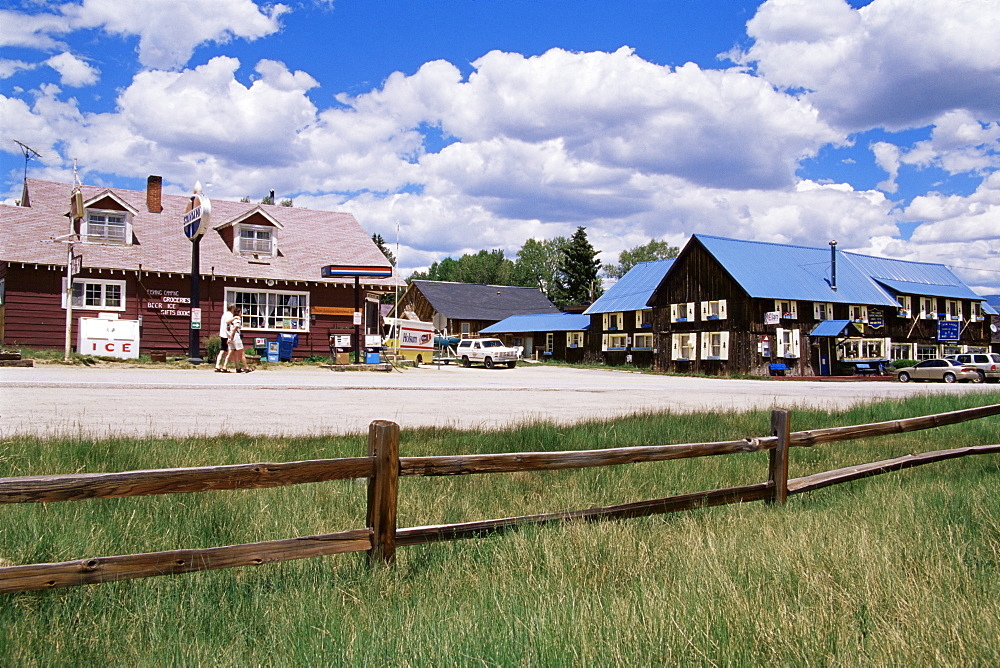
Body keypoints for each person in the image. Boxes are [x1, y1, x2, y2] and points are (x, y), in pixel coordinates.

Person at [228, 306, 253, 373]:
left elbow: (227, 322)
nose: (241, 313)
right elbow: (235, 328)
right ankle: (246, 367)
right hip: (235, 336)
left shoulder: (232, 319)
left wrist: (230, 337)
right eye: (240, 312)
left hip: (230, 336)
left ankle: (237, 367)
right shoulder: (238, 319)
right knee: (242, 352)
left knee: (234, 352)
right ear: (238, 313)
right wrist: (232, 336)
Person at [215, 303, 235, 372]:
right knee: (230, 351)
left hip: (222, 334)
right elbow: (228, 326)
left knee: (222, 350)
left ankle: (217, 365)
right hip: (227, 335)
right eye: (234, 308)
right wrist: (230, 336)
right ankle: (224, 366)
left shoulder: (224, 315)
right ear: (232, 308)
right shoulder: (230, 315)